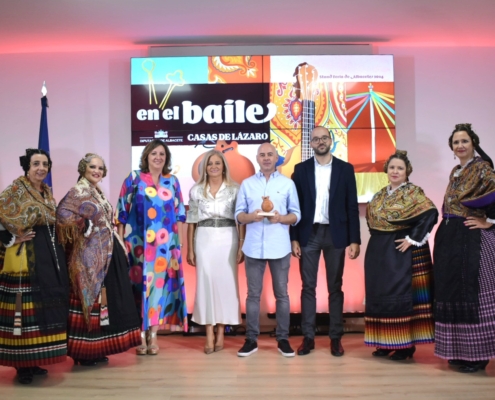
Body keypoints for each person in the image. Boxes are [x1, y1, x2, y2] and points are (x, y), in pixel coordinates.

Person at [56, 153, 141, 366]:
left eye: (100, 168)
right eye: (93, 167)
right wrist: (84, 226)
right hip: (87, 256)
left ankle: (93, 350)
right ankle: (82, 353)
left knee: (101, 302)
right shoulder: (78, 191)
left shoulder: (96, 191)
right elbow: (62, 215)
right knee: (88, 301)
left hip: (105, 252)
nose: (97, 171)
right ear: (83, 168)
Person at [0, 149, 69, 384]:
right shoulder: (16, 189)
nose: (41, 168)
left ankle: (35, 358)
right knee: (24, 308)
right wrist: (10, 238)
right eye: (36, 163)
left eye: (45, 164)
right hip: (23, 257)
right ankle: (22, 365)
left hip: (45, 256)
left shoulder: (46, 191)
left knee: (39, 308)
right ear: (26, 167)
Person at [290, 126, 360, 357]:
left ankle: (335, 338)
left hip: (336, 234)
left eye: (324, 137)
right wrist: (295, 238)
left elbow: (351, 206)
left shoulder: (345, 169)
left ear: (331, 140)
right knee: (308, 287)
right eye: (316, 139)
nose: (320, 141)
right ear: (310, 144)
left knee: (335, 287)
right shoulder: (300, 170)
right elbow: (294, 208)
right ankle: (308, 337)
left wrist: (355, 240)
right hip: (308, 234)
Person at [364, 150, 437, 361]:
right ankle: (385, 343)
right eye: (392, 167)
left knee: (399, 294)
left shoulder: (413, 192)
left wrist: (413, 239)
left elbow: (430, 212)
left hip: (399, 252)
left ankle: (404, 346)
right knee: (379, 294)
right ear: (387, 170)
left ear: (407, 172)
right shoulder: (379, 194)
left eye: (400, 168)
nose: (395, 171)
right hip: (378, 250)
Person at [434, 123, 495, 373]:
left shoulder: (483, 168)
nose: (460, 145)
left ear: (474, 144)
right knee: (452, 292)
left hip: (472, 240)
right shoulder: (456, 171)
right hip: (451, 237)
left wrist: (488, 221)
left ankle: (478, 356)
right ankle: (459, 352)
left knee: (473, 294)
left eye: (465, 141)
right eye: (456, 142)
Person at [116, 139, 187, 355]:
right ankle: (139, 336)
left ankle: (153, 335)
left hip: (165, 247)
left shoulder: (172, 181)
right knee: (138, 289)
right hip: (136, 245)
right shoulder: (134, 178)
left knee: (158, 289)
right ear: (146, 156)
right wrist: (120, 242)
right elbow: (122, 211)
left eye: (162, 154)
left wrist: (179, 243)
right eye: (154, 153)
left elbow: (180, 213)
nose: (158, 157)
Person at [235, 142, 301, 357]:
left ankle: (283, 339)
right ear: (257, 158)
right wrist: (250, 217)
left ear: (276, 158)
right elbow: (238, 215)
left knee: (282, 295)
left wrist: (281, 218)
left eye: (270, 154)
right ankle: (251, 340)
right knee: (252, 295)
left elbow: (296, 215)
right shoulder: (246, 184)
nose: (266, 158)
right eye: (262, 155)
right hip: (253, 246)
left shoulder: (287, 184)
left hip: (279, 247)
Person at [186, 150, 245, 354]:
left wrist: (241, 244)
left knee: (226, 285)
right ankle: (209, 333)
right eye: (210, 163)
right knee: (206, 283)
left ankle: (221, 332)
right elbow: (191, 221)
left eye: (217, 163)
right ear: (204, 167)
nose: (213, 167)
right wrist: (191, 248)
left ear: (223, 166)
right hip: (204, 238)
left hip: (228, 238)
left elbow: (241, 220)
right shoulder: (195, 190)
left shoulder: (235, 189)